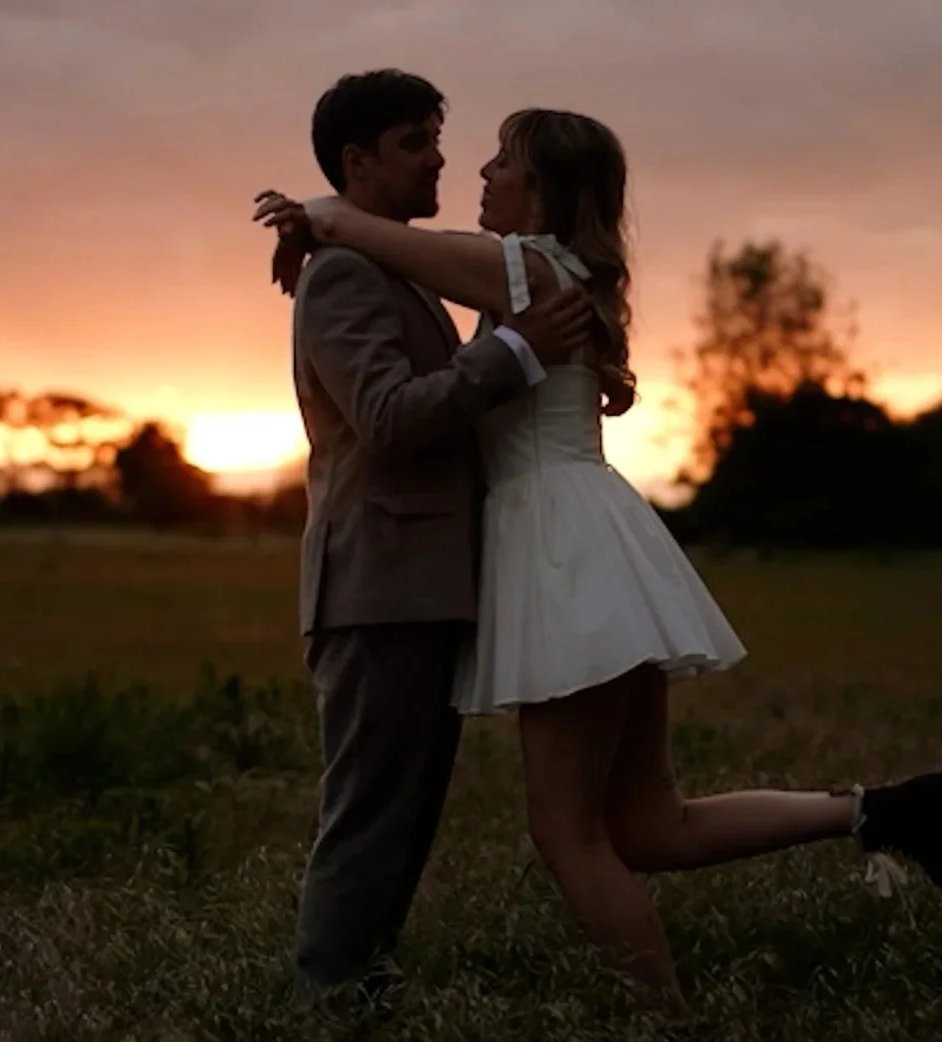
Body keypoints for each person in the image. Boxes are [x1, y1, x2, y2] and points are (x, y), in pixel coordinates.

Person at [257, 88, 942, 1020]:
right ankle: (891, 810)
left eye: (499, 160)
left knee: (567, 833)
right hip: (599, 541)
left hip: (564, 556)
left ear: (545, 189)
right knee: (646, 823)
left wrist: (322, 217)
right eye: (437, 148)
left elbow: (420, 279)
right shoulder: (549, 273)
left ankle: (669, 1020)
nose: (473, 170)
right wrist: (341, 233)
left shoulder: (523, 268)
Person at [271, 70, 594, 1019]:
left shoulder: (387, 264)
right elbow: (386, 417)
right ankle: (327, 1000)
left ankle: (363, 987)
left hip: (421, 586)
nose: (440, 157)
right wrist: (516, 349)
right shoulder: (342, 277)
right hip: (379, 585)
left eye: (435, 138)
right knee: (371, 815)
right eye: (416, 141)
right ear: (358, 162)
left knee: (403, 818)